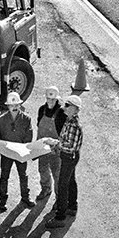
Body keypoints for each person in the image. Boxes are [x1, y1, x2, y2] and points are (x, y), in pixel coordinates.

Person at [0, 92, 34, 211]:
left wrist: (23, 149)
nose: (14, 107)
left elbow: (29, 135)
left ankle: (25, 197)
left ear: (20, 105)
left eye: (16, 105)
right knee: (4, 176)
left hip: (20, 152)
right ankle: (2, 201)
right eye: (12, 105)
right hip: (7, 153)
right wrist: (1, 150)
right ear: (8, 106)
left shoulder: (26, 119)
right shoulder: (0, 120)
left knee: (23, 175)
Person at [48, 94, 83, 228]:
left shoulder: (74, 125)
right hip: (70, 156)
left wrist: (57, 145)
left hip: (69, 156)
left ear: (75, 109)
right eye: (65, 104)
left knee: (62, 185)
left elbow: (71, 146)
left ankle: (60, 217)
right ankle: (72, 206)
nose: (65, 107)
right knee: (71, 180)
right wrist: (57, 142)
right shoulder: (69, 120)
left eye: (68, 105)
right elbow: (65, 139)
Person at [35, 86, 66, 200]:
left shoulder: (62, 113)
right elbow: (39, 125)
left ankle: (59, 198)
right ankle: (46, 189)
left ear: (57, 99)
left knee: (57, 174)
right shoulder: (41, 110)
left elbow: (64, 133)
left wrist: (56, 144)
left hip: (56, 149)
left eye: (53, 99)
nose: (50, 102)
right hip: (43, 147)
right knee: (42, 169)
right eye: (48, 99)